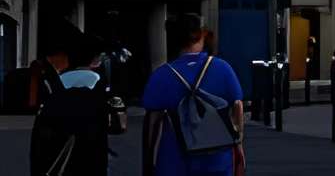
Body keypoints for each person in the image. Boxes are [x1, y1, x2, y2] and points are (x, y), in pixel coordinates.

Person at [138, 26, 244, 176]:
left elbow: (152, 123)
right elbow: (237, 106)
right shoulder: (223, 68)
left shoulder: (162, 75)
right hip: (218, 158)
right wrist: (238, 144)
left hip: (174, 160)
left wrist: (149, 162)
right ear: (201, 38)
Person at [31, 33, 126, 176]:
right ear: (95, 59)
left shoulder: (55, 85)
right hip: (92, 155)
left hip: (57, 158)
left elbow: (40, 133)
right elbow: (118, 125)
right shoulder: (102, 85)